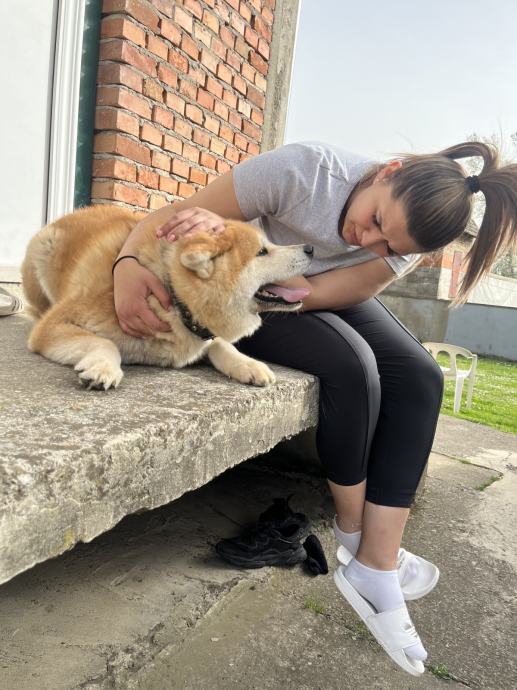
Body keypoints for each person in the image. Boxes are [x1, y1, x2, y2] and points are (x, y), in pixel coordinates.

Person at [111, 140, 517, 675]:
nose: (367, 240)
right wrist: (126, 265)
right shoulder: (303, 172)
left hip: (304, 287)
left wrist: (301, 282)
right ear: (389, 170)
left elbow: (330, 291)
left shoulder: (407, 235)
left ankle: (378, 558)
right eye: (376, 220)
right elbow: (169, 219)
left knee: (420, 377)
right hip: (243, 289)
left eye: (387, 245)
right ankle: (356, 538)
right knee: (353, 366)